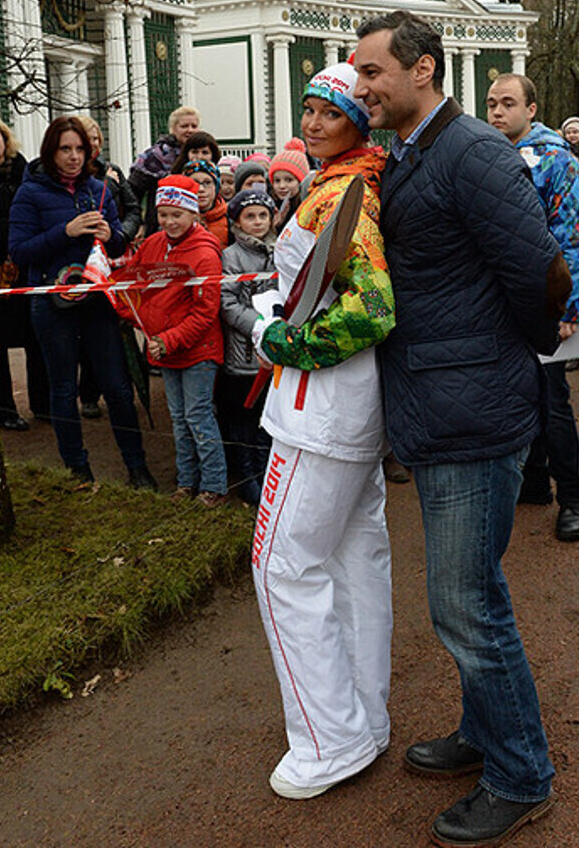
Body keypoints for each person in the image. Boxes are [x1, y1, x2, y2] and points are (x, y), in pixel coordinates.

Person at [354, 10, 569, 847]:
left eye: (372, 71)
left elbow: (540, 272)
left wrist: (506, 355)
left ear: (423, 69)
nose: (362, 87)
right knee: (474, 590)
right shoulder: (414, 150)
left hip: (474, 411)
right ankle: (486, 731)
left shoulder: (472, 150)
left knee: (465, 603)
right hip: (447, 404)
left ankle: (520, 773)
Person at [250, 62, 395, 800]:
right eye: (308, 109)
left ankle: (329, 740)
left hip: (321, 409)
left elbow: (372, 308)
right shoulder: (345, 181)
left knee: (281, 566)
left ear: (358, 124)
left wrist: (284, 341)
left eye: (329, 113)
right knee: (353, 559)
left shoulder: (345, 194)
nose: (312, 123)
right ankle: (362, 719)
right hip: (346, 407)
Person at [8, 115, 156, 489]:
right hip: (51, 301)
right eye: (65, 149)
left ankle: (137, 467)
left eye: (80, 149)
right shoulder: (30, 193)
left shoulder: (99, 189)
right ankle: (77, 469)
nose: (74, 156)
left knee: (117, 387)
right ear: (51, 151)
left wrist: (113, 235)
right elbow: (19, 252)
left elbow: (117, 247)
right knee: (63, 388)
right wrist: (65, 231)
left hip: (95, 300)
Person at [486, 74, 579, 543]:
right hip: (500, 305)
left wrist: (567, 307)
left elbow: (574, 235)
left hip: (546, 304)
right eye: (491, 103)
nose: (497, 111)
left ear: (531, 109)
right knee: (513, 394)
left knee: (552, 401)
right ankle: (532, 483)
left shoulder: (556, 160)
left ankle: (572, 496)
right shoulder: (485, 154)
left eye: (507, 103)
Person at [115, 175, 228, 507]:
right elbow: (134, 283)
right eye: (163, 214)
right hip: (164, 350)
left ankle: (214, 486)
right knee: (179, 419)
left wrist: (168, 340)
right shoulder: (153, 243)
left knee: (199, 417)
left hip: (197, 351)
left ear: (193, 213)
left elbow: (205, 312)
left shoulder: (205, 253)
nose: (169, 221)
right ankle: (186, 482)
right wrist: (125, 306)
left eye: (177, 214)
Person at [0, 116, 49, 431]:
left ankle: (43, 405)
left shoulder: (25, 172)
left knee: (35, 335)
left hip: (27, 266)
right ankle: (5, 409)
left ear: (5, 139)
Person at [77, 114, 142, 420]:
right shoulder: (72, 179)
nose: (92, 144)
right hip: (83, 262)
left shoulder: (113, 171)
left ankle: (126, 388)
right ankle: (89, 393)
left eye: (95, 139)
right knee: (90, 329)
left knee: (121, 325)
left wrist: (121, 235)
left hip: (114, 257)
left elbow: (133, 209)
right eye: (85, 139)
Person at [218, 188, 277, 505]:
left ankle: (266, 474)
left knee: (268, 419)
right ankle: (246, 477)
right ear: (237, 221)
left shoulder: (281, 251)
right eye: (250, 216)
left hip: (275, 354)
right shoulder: (231, 256)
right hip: (244, 356)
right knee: (243, 420)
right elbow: (227, 304)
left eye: (263, 215)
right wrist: (260, 327)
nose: (257, 222)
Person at [128, 105, 200, 233]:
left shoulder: (204, 153)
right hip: (159, 223)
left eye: (194, 126)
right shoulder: (155, 156)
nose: (190, 130)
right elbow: (133, 192)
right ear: (173, 128)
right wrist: (138, 223)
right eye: (184, 126)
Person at [182, 158, 229, 249]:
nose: (201, 189)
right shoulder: (176, 218)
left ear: (216, 187)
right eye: (194, 183)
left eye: (207, 183)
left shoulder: (230, 218)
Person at [268, 146, 309, 233]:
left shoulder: (307, 207)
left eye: (289, 180)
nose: (282, 186)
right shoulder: (269, 206)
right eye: (277, 180)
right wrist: (275, 226)